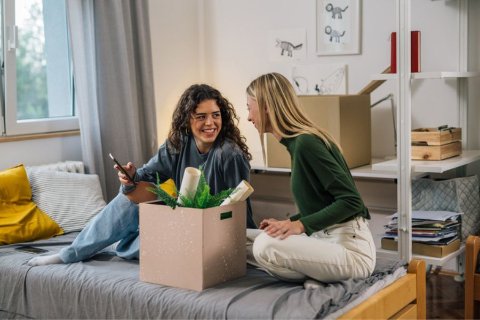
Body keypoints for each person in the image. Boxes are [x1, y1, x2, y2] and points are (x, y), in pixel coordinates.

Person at [28, 83, 256, 266]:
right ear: (188, 119)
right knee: (128, 201)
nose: (210, 123)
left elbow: (237, 210)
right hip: (183, 224)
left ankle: (119, 242)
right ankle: (70, 253)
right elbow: (146, 176)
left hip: (212, 233)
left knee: (127, 248)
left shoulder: (229, 154)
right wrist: (130, 178)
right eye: (201, 116)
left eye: (216, 115)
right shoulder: (178, 144)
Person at [245, 72, 375, 285]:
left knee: (263, 246)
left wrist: (300, 226)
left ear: (266, 105)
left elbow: (352, 202)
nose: (249, 116)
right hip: (323, 238)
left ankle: (320, 275)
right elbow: (321, 204)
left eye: (249, 107)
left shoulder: (307, 143)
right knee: (238, 241)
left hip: (351, 250)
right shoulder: (296, 144)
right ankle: (320, 274)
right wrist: (289, 223)